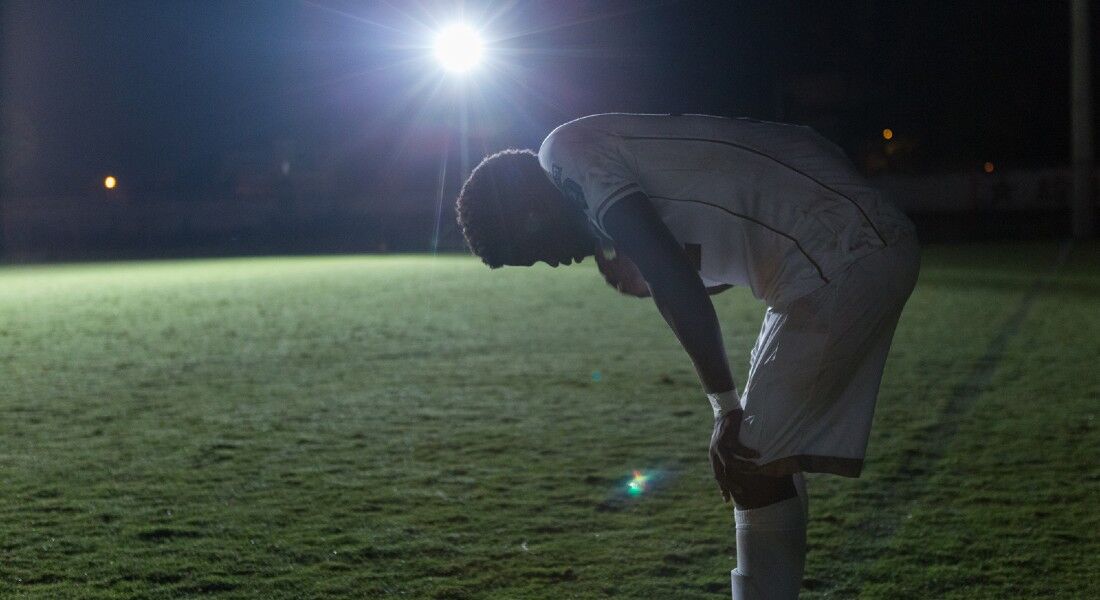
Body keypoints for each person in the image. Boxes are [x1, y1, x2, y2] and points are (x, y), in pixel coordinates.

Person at [454, 113, 920, 599]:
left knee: (749, 455)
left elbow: (673, 278)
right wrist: (661, 274)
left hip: (843, 254)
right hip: (832, 254)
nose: (552, 262)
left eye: (532, 252)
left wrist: (722, 403)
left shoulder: (561, 154)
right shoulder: (595, 170)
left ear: (526, 212)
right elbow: (717, 235)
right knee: (762, 456)